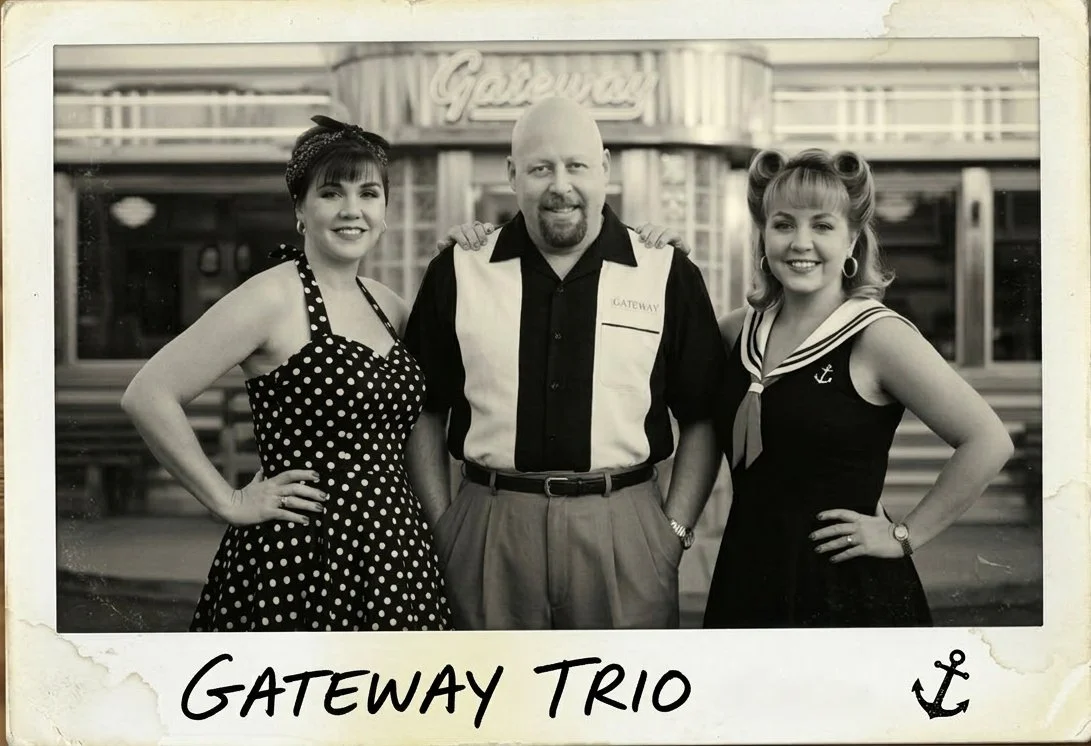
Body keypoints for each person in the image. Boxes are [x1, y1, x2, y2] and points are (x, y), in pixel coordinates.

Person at [403, 97, 725, 631]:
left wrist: (672, 533)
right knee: (490, 687)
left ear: (604, 167)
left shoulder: (666, 272)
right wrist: (444, 528)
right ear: (512, 174)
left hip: (626, 531)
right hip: (487, 528)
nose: (561, 185)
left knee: (625, 688)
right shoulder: (458, 270)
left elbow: (703, 415)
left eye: (576, 165)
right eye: (540, 168)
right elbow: (423, 409)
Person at [121, 115, 452, 632]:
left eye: (368, 194)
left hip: (398, 553)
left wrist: (468, 257)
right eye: (331, 193)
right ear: (300, 209)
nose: (352, 210)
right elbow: (149, 394)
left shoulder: (390, 306)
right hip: (302, 556)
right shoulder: (271, 296)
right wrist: (229, 501)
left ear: (384, 211)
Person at [703, 148, 1015, 628]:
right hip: (746, 576)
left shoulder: (878, 336)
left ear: (852, 240)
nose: (800, 242)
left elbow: (989, 441)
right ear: (763, 235)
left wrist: (904, 535)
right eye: (783, 224)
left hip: (845, 589)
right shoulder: (734, 332)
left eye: (822, 226)